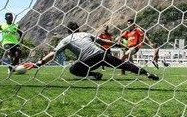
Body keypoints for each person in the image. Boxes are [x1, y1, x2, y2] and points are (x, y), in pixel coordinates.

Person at [24, 21, 158, 81]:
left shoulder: (66, 39)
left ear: (68, 31)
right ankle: (146, 73)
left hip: (89, 60)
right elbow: (104, 42)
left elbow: (54, 53)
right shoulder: (86, 34)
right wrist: (117, 44)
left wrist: (38, 63)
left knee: (73, 69)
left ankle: (94, 75)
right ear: (78, 29)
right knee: (123, 64)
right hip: (102, 55)